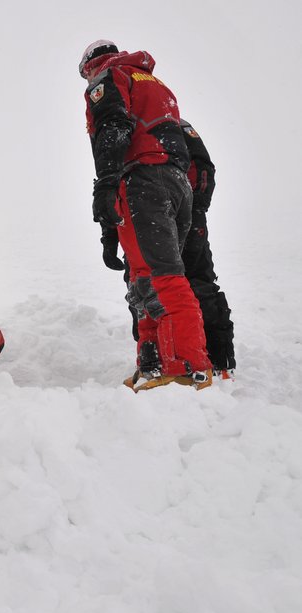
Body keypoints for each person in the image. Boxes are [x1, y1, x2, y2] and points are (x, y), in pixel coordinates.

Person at [79, 40, 212, 391]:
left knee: (163, 276)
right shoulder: (155, 84)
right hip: (173, 183)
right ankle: (153, 362)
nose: (87, 81)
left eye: (84, 74)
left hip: (142, 180)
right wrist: (111, 226)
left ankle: (187, 365)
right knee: (145, 277)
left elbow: (113, 127)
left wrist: (106, 184)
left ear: (91, 64)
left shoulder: (109, 76)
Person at [104, 119, 236, 379]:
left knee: (197, 281)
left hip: (179, 215)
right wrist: (110, 232)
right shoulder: (121, 129)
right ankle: (157, 360)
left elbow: (203, 169)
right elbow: (113, 183)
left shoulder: (171, 124)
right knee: (141, 288)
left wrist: (194, 212)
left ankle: (218, 359)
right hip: (138, 218)